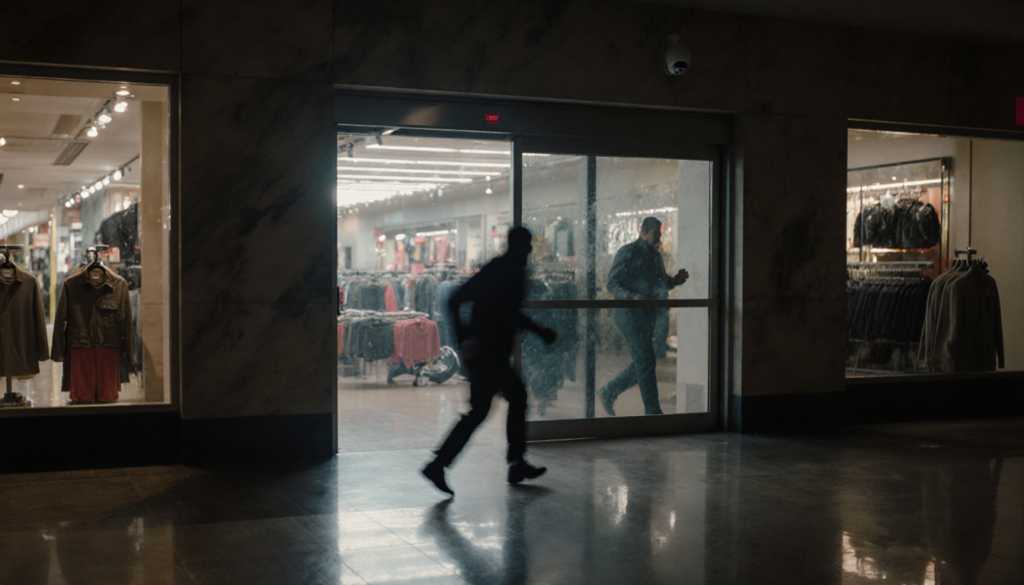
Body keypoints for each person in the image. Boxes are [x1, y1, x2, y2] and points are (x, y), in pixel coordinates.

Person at [422, 226, 558, 496]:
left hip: (490, 353)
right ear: (517, 245)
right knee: (503, 403)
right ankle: (446, 464)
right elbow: (456, 298)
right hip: (487, 354)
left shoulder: (511, 270)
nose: (530, 249)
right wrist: (464, 340)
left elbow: (508, 314)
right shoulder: (501, 269)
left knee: (488, 409)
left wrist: (539, 331)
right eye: (527, 244)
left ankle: (443, 464)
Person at [599, 217, 688, 416]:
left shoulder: (655, 256)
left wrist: (676, 280)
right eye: (656, 233)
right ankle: (653, 411)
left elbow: (661, 282)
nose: (659, 237)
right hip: (628, 314)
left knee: (644, 361)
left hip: (646, 315)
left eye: (660, 233)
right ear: (643, 232)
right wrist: (631, 296)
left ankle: (609, 391)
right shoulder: (628, 252)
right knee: (646, 360)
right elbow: (612, 283)